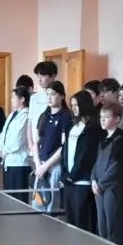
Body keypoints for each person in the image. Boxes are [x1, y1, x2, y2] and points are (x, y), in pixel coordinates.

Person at [91, 102, 123, 245]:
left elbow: (116, 165)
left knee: (113, 224)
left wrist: (101, 182)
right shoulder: (102, 138)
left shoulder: (120, 139)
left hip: (112, 187)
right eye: (101, 117)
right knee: (102, 225)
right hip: (98, 187)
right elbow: (96, 162)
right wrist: (93, 180)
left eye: (106, 117)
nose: (102, 120)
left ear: (117, 119)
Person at [59, 90, 101, 233]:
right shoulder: (71, 126)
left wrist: (73, 176)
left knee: (82, 224)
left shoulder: (93, 128)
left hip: (82, 182)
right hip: (69, 181)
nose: (74, 108)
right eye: (72, 105)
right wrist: (65, 174)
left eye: (77, 105)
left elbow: (87, 156)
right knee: (70, 223)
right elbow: (65, 151)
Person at [32, 80, 70, 213]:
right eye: (47, 94)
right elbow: (36, 142)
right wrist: (38, 164)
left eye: (53, 94)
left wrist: (46, 166)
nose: (49, 97)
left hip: (54, 165)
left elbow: (64, 146)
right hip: (40, 165)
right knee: (37, 204)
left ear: (62, 96)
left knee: (51, 205)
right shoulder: (44, 116)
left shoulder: (66, 117)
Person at [0, 86, 31, 201]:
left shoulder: (26, 115)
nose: (11, 100)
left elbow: (18, 139)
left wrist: (5, 150)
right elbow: (4, 133)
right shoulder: (13, 114)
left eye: (14, 97)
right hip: (8, 161)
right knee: (9, 198)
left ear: (22, 99)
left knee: (19, 198)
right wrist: (0, 148)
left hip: (19, 162)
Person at [27, 61, 58, 166]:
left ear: (53, 76)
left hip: (49, 148)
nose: (39, 80)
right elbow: (30, 122)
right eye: (38, 76)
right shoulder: (34, 98)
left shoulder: (57, 98)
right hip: (34, 149)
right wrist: (30, 143)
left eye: (43, 76)